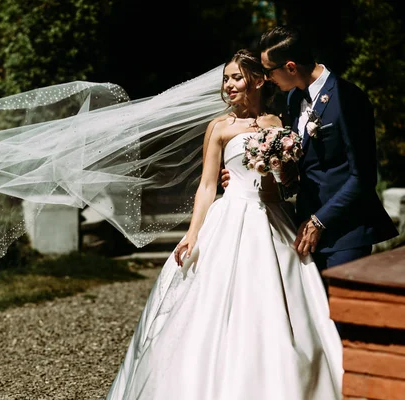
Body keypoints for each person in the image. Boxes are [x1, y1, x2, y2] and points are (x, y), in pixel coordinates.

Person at [105, 49, 342, 400]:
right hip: (229, 217)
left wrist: (279, 169)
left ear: (258, 80)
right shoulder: (218, 127)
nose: (229, 85)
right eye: (226, 79)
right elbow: (206, 185)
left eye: (236, 78)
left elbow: (286, 187)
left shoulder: (279, 124)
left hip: (273, 221)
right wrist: (192, 233)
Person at [221, 25, 398, 272]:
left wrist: (319, 221)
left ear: (291, 67)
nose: (268, 78)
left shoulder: (348, 98)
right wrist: (247, 175)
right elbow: (297, 163)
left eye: (269, 72)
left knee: (339, 309)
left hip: (345, 234)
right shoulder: (294, 99)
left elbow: (362, 177)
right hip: (303, 227)